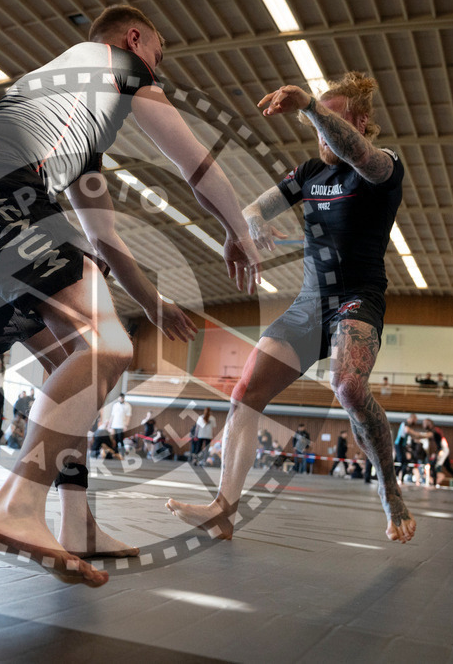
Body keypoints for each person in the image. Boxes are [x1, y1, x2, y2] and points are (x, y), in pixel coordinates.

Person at [0, 4, 259, 585]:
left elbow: (106, 240)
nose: (159, 67)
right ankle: (17, 505)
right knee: (107, 346)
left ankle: (77, 524)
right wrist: (239, 231)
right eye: (158, 53)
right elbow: (197, 166)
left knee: (75, 367)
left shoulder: (81, 126)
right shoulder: (121, 65)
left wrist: (154, 305)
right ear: (135, 38)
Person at [167, 71, 416, 544]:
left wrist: (310, 107)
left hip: (357, 299)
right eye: (316, 125)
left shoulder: (383, 167)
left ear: (361, 122)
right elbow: (253, 208)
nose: (320, 133)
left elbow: (357, 153)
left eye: (331, 121)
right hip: (309, 305)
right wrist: (253, 224)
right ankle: (223, 511)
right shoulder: (308, 174)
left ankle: (389, 486)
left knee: (348, 388)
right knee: (245, 392)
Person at [395, 414, 419, 482]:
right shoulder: (405, 423)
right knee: (402, 462)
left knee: (404, 462)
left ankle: (400, 478)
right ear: (412, 418)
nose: (415, 422)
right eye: (415, 420)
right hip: (399, 444)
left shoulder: (407, 425)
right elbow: (408, 431)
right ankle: (395, 477)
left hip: (402, 445)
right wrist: (418, 435)